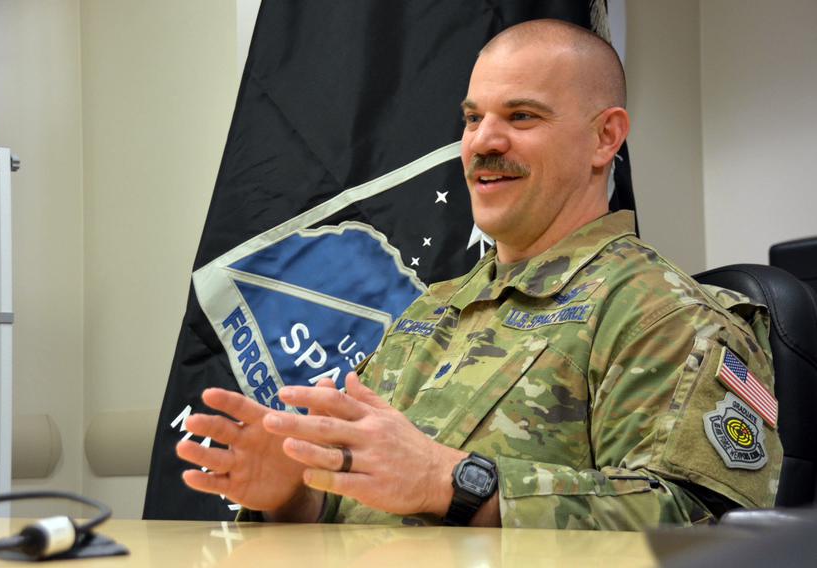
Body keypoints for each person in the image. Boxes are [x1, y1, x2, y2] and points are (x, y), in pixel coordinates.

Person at [176, 19, 782, 530]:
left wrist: (457, 483)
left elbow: (705, 527)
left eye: (521, 116)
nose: (482, 142)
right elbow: (361, 501)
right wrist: (294, 494)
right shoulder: (430, 312)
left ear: (605, 137)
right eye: (472, 119)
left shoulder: (664, 316)